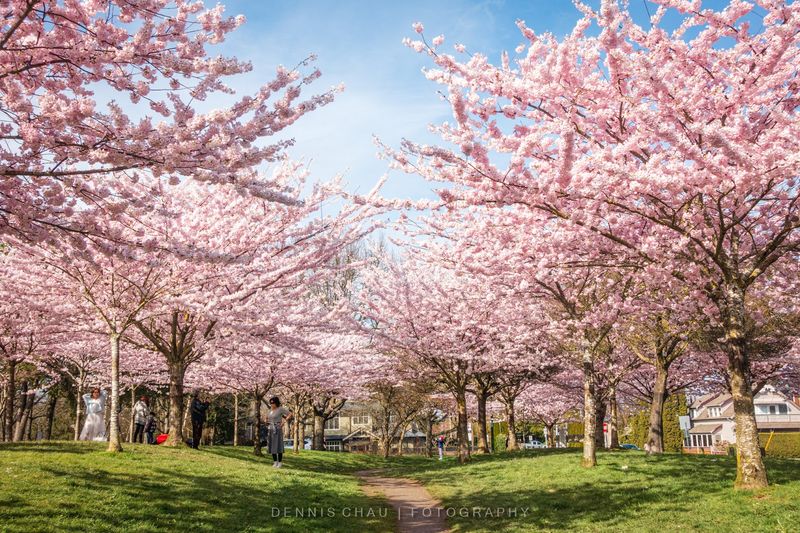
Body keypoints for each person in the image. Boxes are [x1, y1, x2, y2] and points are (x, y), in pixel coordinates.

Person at [267, 396, 292, 468]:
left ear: (276, 403)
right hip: (270, 428)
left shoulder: (280, 409)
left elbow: (290, 414)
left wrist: (284, 422)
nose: (272, 404)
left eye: (273, 403)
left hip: (277, 428)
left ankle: (280, 462)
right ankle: (275, 462)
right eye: (270, 403)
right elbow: (268, 417)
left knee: (278, 445)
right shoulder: (270, 410)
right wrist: (266, 420)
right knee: (272, 445)